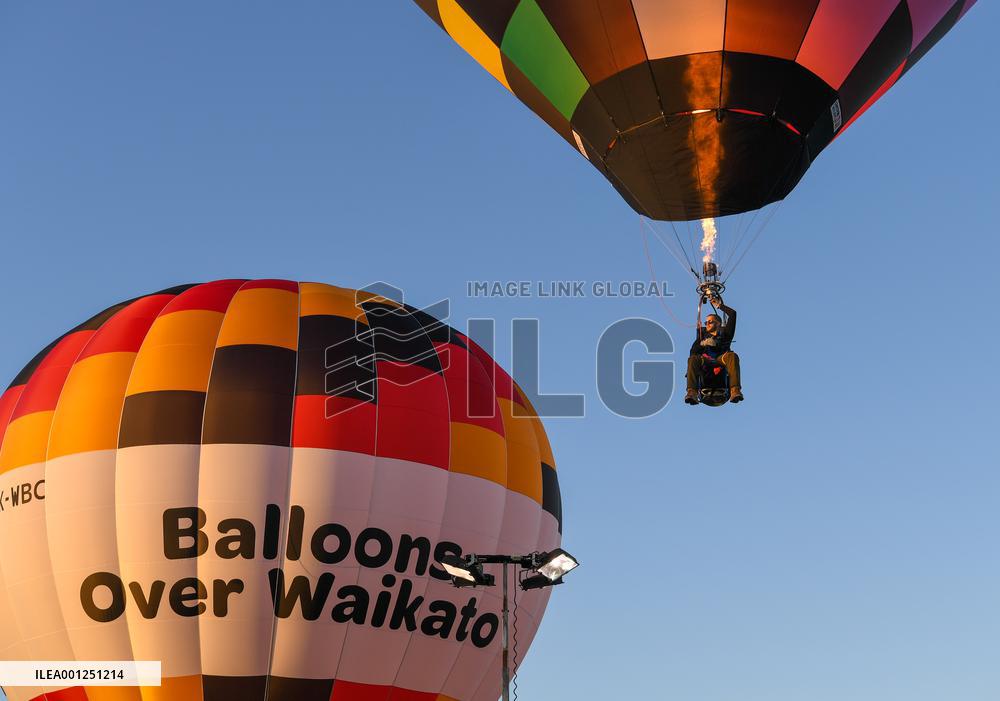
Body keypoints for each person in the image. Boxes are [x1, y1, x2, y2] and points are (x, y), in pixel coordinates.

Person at [684, 296, 743, 404]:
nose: (707, 324)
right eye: (706, 323)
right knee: (693, 359)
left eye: (710, 322)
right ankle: (692, 392)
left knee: (732, 356)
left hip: (721, 360)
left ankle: (735, 390)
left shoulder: (725, 335)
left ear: (718, 324)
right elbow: (692, 353)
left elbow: (733, 314)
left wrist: (719, 305)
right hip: (706, 362)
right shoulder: (701, 338)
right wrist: (702, 344)